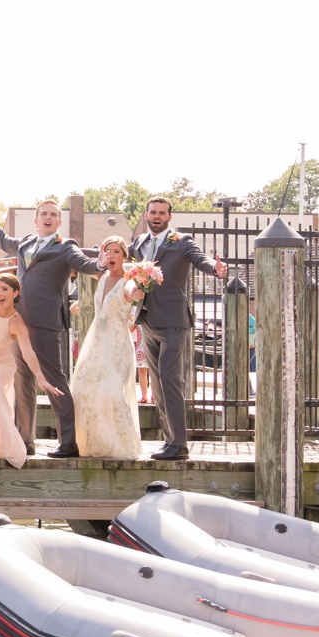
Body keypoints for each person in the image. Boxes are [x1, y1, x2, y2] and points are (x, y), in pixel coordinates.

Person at [0, 188, 101, 457]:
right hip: (17, 322)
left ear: (59, 222)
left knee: (54, 381)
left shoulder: (65, 247)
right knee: (21, 382)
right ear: (36, 220)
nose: (48, 218)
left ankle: (68, 442)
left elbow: (85, 265)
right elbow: (1, 238)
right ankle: (24, 440)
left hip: (46, 323)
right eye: (43, 214)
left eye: (53, 215)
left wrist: (101, 265)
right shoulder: (25, 243)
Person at [129, 196, 228, 460]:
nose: (157, 216)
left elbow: (199, 259)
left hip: (174, 321)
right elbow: (118, 256)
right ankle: (169, 439)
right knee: (156, 382)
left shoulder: (181, 242)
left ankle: (180, 445)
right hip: (147, 320)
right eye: (153, 212)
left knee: (169, 379)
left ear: (170, 217)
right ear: (147, 215)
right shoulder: (139, 243)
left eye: (162, 213)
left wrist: (215, 268)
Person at [0, 272, 60, 467]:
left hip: (1, 366)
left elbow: (28, 352)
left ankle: (9, 442)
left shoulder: (17, 322)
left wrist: (40, 377)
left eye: (5, 289)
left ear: (15, 293)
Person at [73, 236, 145, 459]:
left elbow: (130, 289)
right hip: (96, 340)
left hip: (117, 343)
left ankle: (121, 444)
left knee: (113, 391)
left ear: (125, 255)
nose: (112, 256)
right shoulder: (102, 277)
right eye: (108, 251)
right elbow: (81, 264)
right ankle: (93, 443)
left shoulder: (128, 280)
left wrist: (134, 293)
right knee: (83, 388)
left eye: (116, 251)